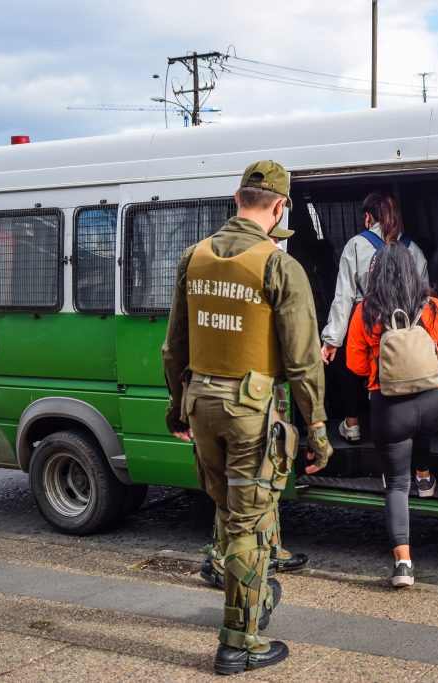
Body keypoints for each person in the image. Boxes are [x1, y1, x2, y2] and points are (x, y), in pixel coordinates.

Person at [162, 160, 334, 675]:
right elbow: (302, 360)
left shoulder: (193, 257)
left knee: (227, 508)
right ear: (280, 207)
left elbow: (174, 348)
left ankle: (246, 587)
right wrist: (318, 429)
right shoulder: (279, 265)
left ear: (237, 200)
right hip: (251, 411)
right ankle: (240, 643)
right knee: (250, 526)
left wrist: (176, 407)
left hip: (201, 404)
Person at [198, 222, 310, 591]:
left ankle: (270, 549)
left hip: (263, 395)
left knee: (262, 481)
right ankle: (221, 561)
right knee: (238, 492)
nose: (277, 244)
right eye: (275, 237)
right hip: (241, 400)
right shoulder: (243, 275)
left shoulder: (267, 271)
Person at [346, 242, 438, 587]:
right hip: (435, 406)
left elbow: (355, 364)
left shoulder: (365, 312)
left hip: (390, 411)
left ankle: (403, 565)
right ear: (413, 272)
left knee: (396, 484)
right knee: (420, 428)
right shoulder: (434, 307)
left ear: (376, 273)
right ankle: (424, 476)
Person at [320, 192, 437, 496]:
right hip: (406, 327)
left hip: (366, 320)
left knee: (351, 364)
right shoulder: (413, 249)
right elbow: (426, 295)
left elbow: (344, 296)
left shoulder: (356, 245)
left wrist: (332, 339)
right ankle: (418, 464)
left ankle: (352, 423)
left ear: (367, 217)